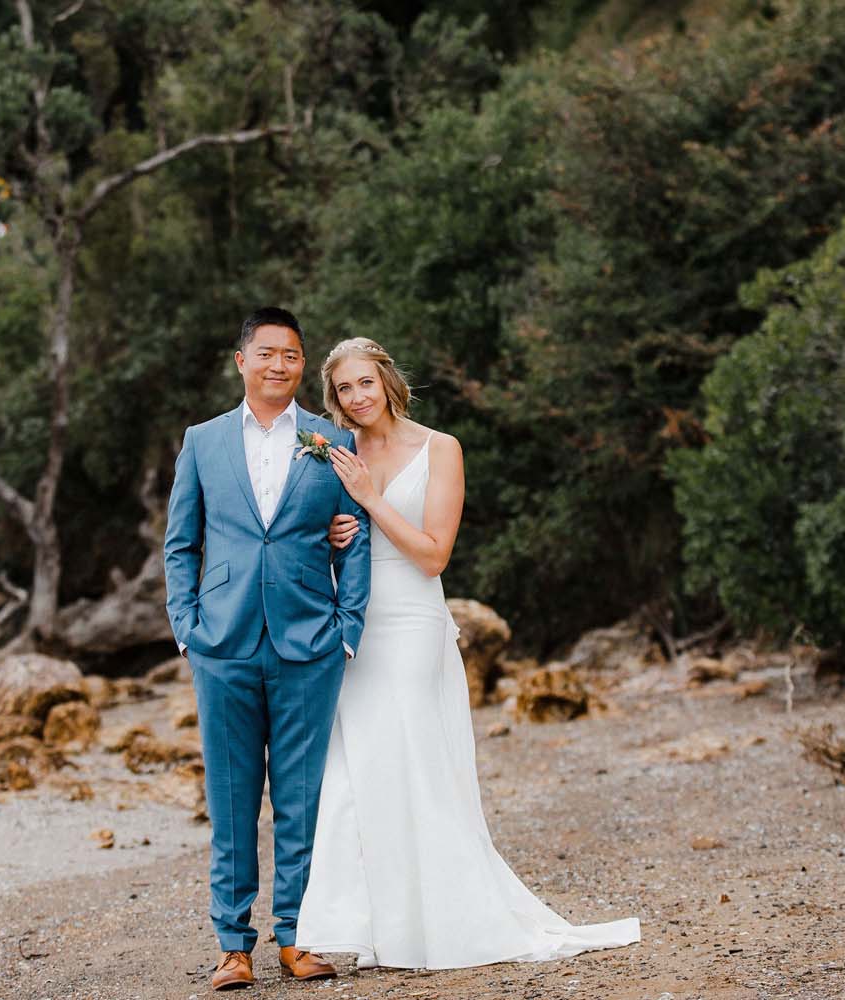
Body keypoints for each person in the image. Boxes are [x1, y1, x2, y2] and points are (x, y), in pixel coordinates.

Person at [294, 337, 641, 969]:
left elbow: (432, 555)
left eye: (365, 383)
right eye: (344, 389)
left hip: (410, 624)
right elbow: (314, 541)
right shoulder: (334, 453)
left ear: (388, 382)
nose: (357, 397)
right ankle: (371, 929)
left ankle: (448, 922)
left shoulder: (440, 449)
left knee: (417, 767)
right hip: (352, 627)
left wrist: (369, 503)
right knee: (355, 773)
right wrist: (332, 534)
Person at [163, 308, 372, 991]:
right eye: (267, 353)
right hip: (221, 645)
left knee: (301, 796)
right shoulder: (202, 440)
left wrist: (346, 627)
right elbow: (181, 544)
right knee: (229, 798)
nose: (279, 364)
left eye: (292, 355)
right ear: (242, 361)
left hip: (308, 641)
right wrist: (186, 628)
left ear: (300, 366)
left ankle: (297, 936)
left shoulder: (330, 439)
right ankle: (232, 945)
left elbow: (357, 531)